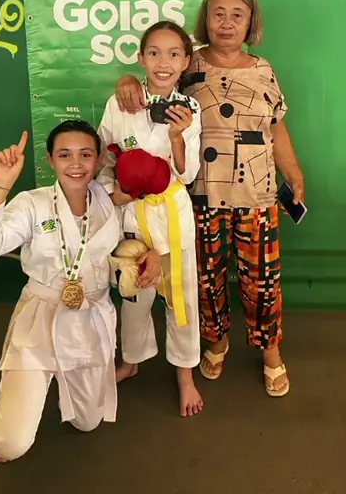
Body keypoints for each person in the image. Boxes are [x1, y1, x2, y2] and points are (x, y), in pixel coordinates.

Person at [114, 0, 305, 397]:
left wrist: (293, 173)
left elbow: (276, 126)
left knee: (262, 282)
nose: (227, 23)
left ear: (251, 22)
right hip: (200, 197)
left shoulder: (264, 70)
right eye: (218, 14)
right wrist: (126, 78)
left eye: (237, 15)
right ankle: (216, 343)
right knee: (206, 281)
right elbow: (152, 84)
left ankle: (271, 353)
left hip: (257, 196)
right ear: (206, 19)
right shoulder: (188, 65)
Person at [0, 120, 161, 463]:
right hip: (42, 317)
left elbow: (122, 244)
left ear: (98, 160)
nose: (76, 164)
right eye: (65, 155)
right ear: (50, 160)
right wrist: (1, 184)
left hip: (90, 319)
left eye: (85, 154)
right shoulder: (33, 204)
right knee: (10, 444)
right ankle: (15, 398)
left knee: (89, 422)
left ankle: (49, 384)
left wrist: (149, 254)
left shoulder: (108, 202)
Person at [96, 20, 204, 417]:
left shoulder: (190, 109)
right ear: (140, 58)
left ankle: (185, 373)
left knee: (181, 298)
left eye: (174, 54)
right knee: (134, 294)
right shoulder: (119, 102)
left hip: (171, 215)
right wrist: (114, 194)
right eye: (154, 53)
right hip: (130, 212)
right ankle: (132, 360)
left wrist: (177, 136)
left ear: (186, 61)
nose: (163, 63)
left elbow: (187, 175)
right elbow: (105, 157)